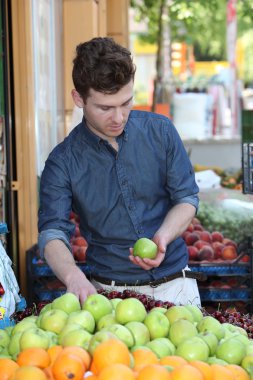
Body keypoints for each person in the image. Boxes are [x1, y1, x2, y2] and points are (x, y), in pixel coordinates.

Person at [38, 37, 201, 306]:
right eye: (105, 108)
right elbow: (52, 231)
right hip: (109, 295)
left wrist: (163, 236)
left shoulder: (161, 131)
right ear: (79, 98)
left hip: (177, 286)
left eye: (126, 103)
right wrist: (73, 276)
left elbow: (186, 198)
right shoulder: (62, 161)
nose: (119, 118)